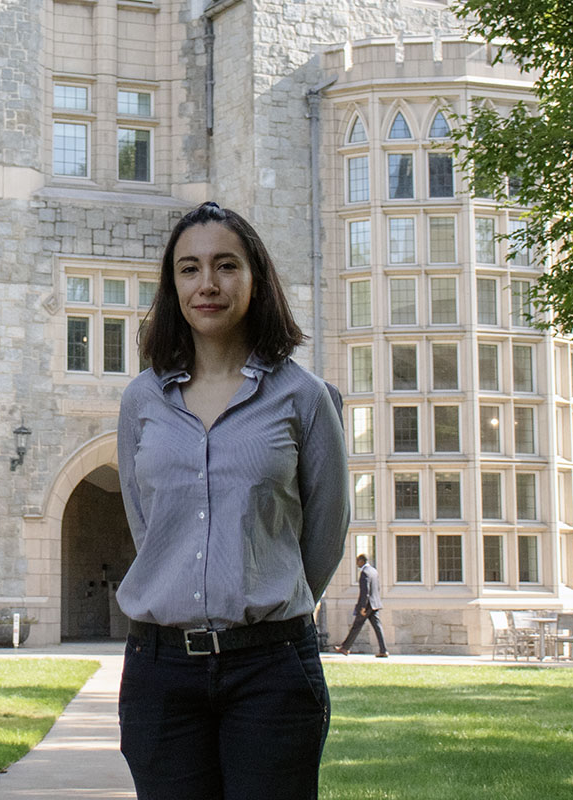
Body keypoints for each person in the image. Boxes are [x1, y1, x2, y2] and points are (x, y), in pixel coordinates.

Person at [116, 201, 350, 800]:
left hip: (270, 669)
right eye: (189, 269)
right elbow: (148, 526)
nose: (208, 284)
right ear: (173, 285)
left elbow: (326, 527)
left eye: (226, 266)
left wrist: (266, 598)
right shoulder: (142, 399)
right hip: (160, 670)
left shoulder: (302, 396)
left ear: (254, 278)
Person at [334, 554, 388, 657]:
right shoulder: (374, 571)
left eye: (357, 561)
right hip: (374, 604)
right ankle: (383, 650)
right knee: (377, 627)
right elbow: (377, 588)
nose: (356, 563)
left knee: (356, 626)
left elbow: (365, 591)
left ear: (361, 561)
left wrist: (363, 607)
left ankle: (345, 648)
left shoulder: (365, 573)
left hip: (367, 605)